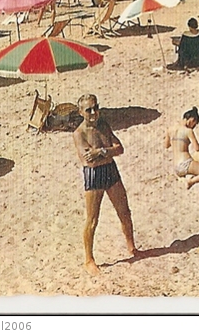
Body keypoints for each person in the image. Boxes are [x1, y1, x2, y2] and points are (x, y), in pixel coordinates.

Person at [72, 94, 138, 275]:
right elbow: (89, 161)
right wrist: (108, 152)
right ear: (81, 112)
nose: (93, 113)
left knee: (124, 211)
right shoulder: (79, 134)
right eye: (89, 110)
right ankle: (88, 259)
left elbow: (120, 148)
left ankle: (132, 247)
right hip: (94, 176)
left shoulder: (103, 125)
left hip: (110, 170)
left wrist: (100, 151)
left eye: (95, 108)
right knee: (92, 219)